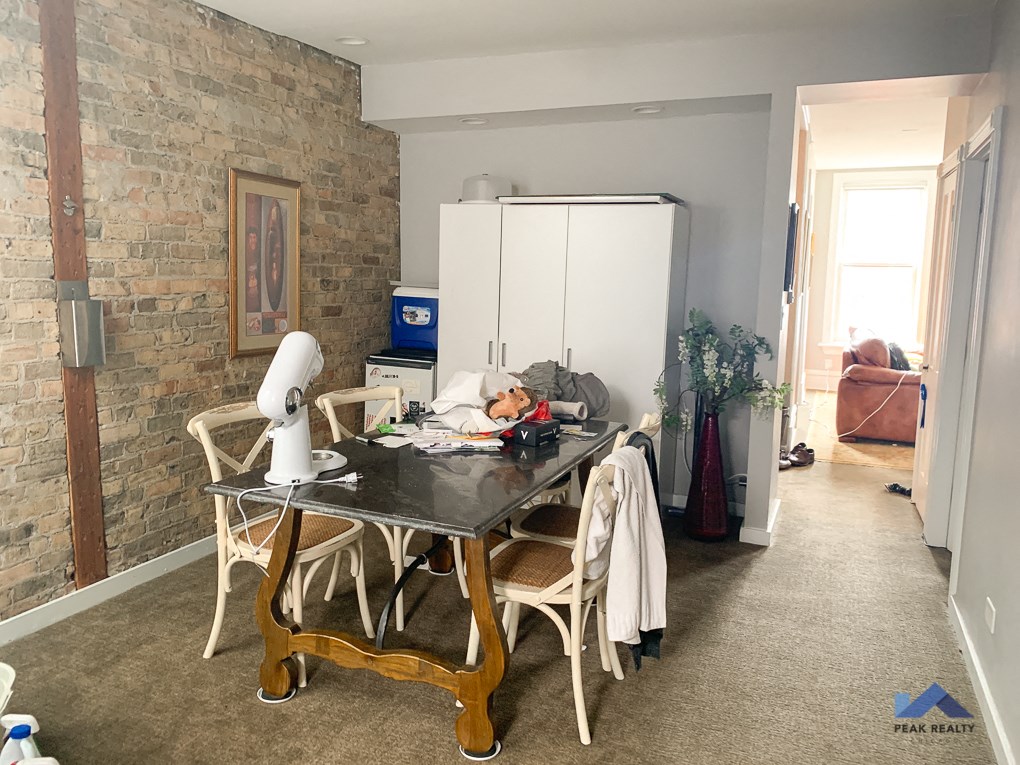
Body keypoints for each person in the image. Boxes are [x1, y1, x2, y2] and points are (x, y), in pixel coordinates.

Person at [244, 226, 261, 312]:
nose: (252, 240)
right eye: (250, 238)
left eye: (254, 237)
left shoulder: (259, 251)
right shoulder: (246, 252)